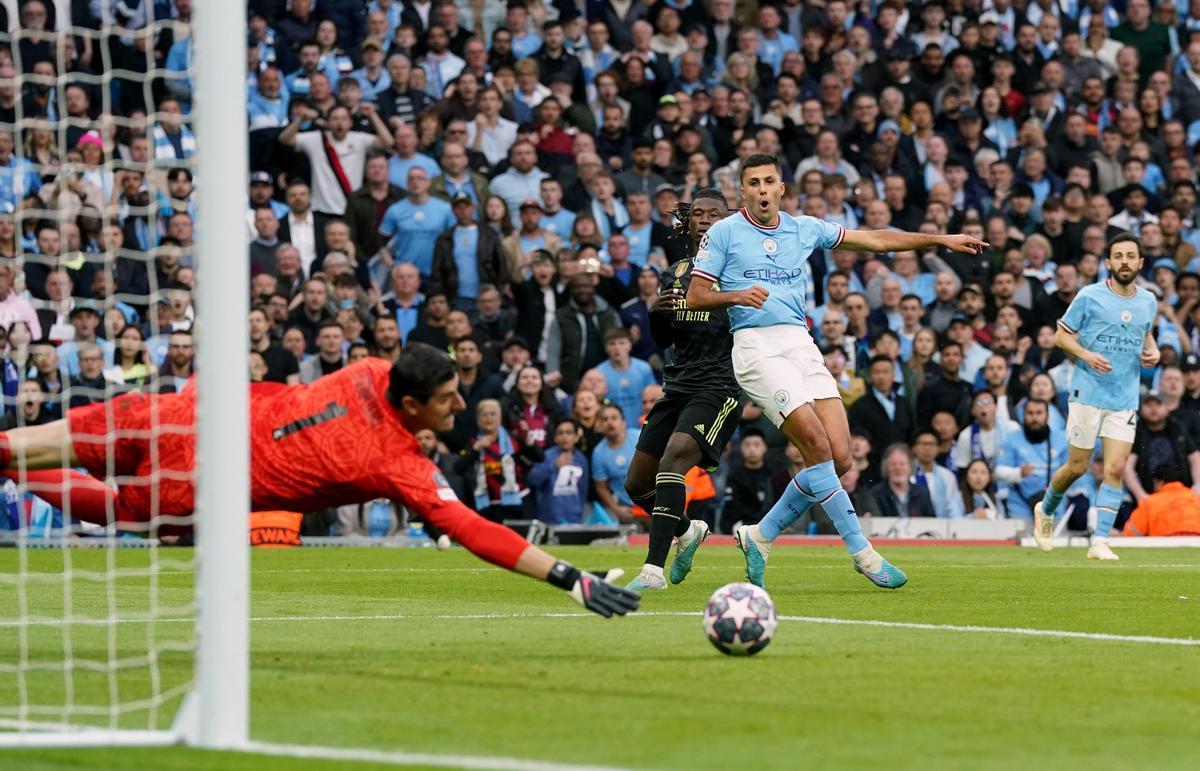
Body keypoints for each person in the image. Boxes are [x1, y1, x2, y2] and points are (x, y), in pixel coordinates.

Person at [0, 345, 639, 618]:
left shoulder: (369, 369)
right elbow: (472, 530)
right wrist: (569, 577)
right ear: (413, 405)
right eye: (447, 398)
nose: (458, 406)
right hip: (196, 479)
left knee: (16, 448)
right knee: (113, 505)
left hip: (184, 410)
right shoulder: (399, 463)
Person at [687, 153, 986, 589]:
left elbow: (876, 241)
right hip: (756, 349)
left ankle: (759, 535)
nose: (763, 190)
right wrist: (734, 297)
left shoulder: (803, 228)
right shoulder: (724, 233)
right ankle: (862, 551)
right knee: (817, 449)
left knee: (842, 458)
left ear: (782, 188)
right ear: (743, 192)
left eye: (770, 181)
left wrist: (938, 239)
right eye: (753, 183)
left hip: (800, 345)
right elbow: (696, 296)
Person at [623, 189, 740, 590]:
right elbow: (662, 339)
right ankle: (688, 531)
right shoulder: (675, 271)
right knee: (637, 484)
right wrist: (656, 312)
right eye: (699, 214)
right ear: (687, 221)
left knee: (672, 460)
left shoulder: (740, 267)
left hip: (720, 385)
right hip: (677, 384)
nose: (705, 219)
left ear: (728, 221)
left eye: (715, 214)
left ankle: (652, 571)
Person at [1034, 234, 1160, 560]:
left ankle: (1100, 540)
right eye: (1118, 256)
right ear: (1108, 263)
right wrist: (1087, 356)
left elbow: (1145, 335)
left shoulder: (1148, 301)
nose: (1125, 261)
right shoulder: (1089, 296)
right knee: (1077, 466)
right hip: (1087, 392)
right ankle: (1045, 509)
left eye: (1131, 256)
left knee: (1115, 468)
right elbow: (1061, 337)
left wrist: (1153, 351)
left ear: (1140, 263)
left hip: (1125, 396)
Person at [526, 417, 590, 525]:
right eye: (560, 433)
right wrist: (553, 466)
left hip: (574, 519)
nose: (564, 436)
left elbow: (583, 489)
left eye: (568, 433)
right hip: (549, 518)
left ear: (576, 437)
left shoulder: (581, 459)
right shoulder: (546, 456)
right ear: (555, 438)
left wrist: (578, 511)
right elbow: (532, 479)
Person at [868, 444, 937, 518]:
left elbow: (931, 520)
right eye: (893, 464)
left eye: (902, 464)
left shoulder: (923, 493)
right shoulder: (876, 494)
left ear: (910, 467)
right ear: (886, 468)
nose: (898, 468)